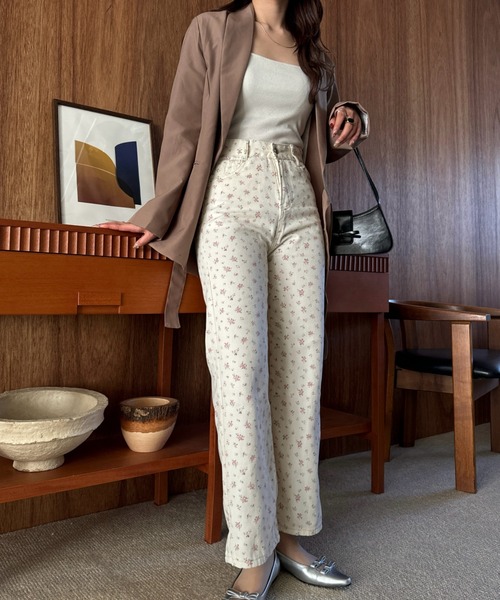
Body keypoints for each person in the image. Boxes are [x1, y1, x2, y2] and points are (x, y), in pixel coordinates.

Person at [98, 1, 368, 598]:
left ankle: (292, 538)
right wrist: (156, 213)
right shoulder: (212, 30)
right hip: (231, 195)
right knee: (240, 372)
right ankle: (252, 549)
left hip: (299, 202)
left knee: (301, 374)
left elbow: (319, 142)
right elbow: (184, 128)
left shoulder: (310, 48)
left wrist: (352, 122)